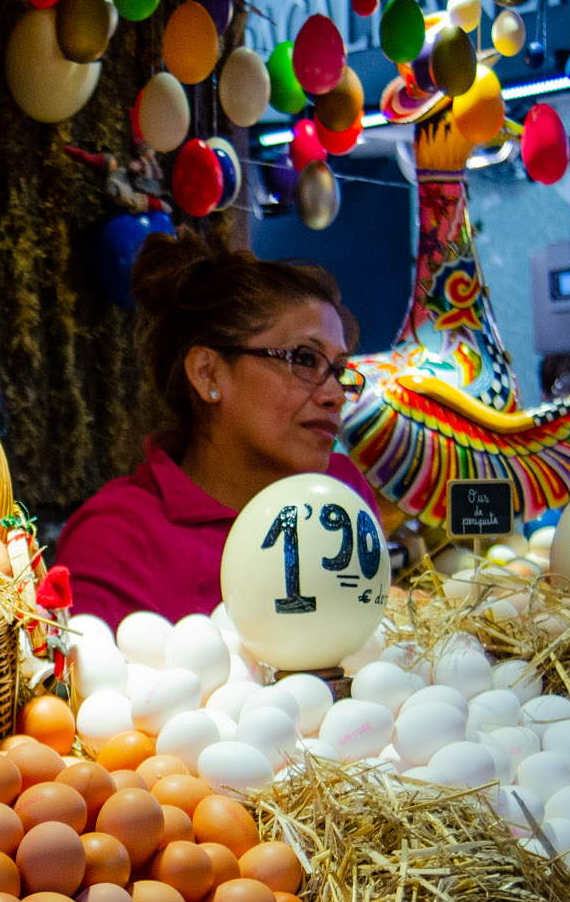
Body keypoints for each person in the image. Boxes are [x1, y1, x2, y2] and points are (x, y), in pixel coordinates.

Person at [57, 230, 381, 628]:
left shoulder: (344, 495)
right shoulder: (116, 538)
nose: (335, 394)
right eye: (305, 359)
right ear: (207, 372)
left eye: (340, 371)